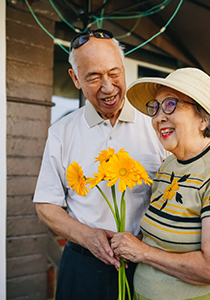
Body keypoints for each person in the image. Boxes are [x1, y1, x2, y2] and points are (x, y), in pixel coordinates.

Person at [33, 29, 165, 300]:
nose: (108, 87)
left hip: (147, 266)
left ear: (124, 67)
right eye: (94, 77)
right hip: (82, 267)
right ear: (76, 79)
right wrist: (87, 236)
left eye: (114, 73)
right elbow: (46, 206)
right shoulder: (62, 131)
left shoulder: (157, 125)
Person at [111, 67, 210, 300]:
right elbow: (162, 238)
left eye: (170, 104)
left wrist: (143, 252)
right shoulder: (169, 166)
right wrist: (128, 244)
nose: (158, 117)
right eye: (155, 108)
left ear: (202, 117)